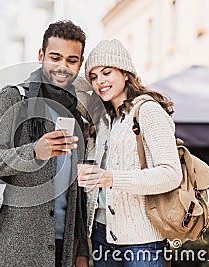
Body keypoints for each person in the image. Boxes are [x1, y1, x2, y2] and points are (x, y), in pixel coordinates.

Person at [0, 20, 89, 267]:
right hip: (14, 250)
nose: (63, 67)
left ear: (79, 64)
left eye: (71, 60)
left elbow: (76, 193)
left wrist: (81, 250)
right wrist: (34, 152)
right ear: (41, 55)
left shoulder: (77, 117)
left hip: (62, 250)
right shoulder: (14, 98)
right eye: (55, 57)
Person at [78, 39, 182, 266]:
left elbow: (171, 174)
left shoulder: (148, 111)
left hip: (143, 242)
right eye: (93, 77)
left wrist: (111, 178)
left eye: (107, 72)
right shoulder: (103, 121)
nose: (100, 82)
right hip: (102, 235)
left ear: (126, 73)